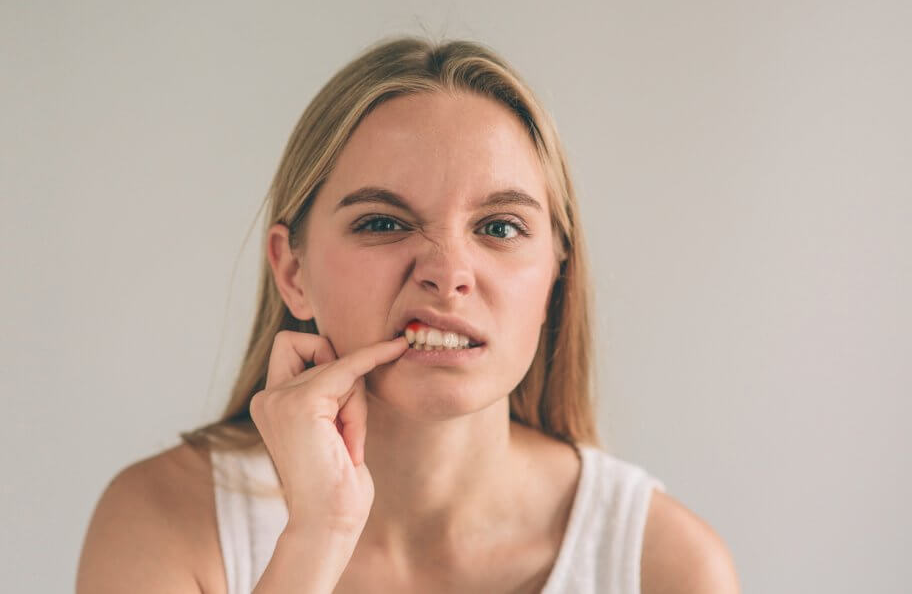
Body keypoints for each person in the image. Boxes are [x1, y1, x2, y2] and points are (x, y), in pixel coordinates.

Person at [77, 36, 740, 593]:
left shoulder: (667, 565)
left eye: (501, 227)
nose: (448, 271)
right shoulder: (161, 522)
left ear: (555, 276)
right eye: (385, 221)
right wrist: (316, 536)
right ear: (292, 271)